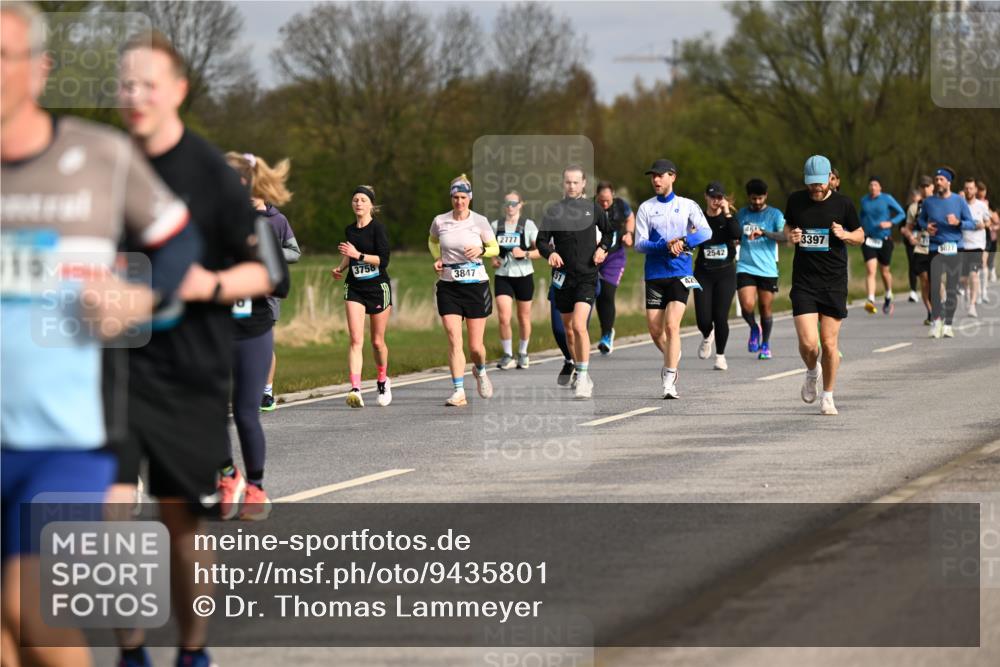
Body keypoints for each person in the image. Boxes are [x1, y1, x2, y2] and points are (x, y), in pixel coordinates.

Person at [1, 7, 198, 665]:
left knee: (27, 605)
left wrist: (140, 293)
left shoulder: (99, 157)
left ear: (39, 68)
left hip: (69, 437)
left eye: (5, 54)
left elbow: (178, 241)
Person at [112, 30, 283, 667]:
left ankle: (192, 651)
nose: (135, 96)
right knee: (109, 519)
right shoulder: (104, 164)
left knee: (181, 526)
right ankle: (131, 653)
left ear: (178, 90)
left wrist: (206, 282)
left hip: (188, 373)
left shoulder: (210, 172)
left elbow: (263, 272)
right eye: (126, 84)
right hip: (115, 371)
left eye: (148, 84)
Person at [215, 152, 293, 521]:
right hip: (212, 330)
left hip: (252, 328)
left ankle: (257, 490)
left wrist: (239, 281)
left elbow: (283, 284)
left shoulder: (260, 228)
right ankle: (228, 476)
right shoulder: (203, 226)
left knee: (246, 412)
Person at [784, 155, 864, 416]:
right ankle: (811, 371)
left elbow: (860, 235)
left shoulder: (843, 204)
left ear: (830, 178)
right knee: (809, 344)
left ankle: (828, 396)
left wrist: (845, 235)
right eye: (811, 184)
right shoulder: (796, 200)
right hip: (804, 281)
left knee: (829, 345)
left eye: (820, 183)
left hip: (833, 282)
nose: (816, 188)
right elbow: (788, 227)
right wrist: (791, 236)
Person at [633, 159, 711, 399]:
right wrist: (663, 245)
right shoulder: (646, 208)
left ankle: (669, 379)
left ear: (672, 177)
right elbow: (639, 244)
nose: (656, 180)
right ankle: (672, 355)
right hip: (655, 275)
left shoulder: (687, 205)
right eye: (653, 176)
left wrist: (684, 242)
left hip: (680, 272)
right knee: (656, 331)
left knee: (671, 326)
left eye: (660, 175)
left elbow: (706, 232)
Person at [536, 166, 612, 399]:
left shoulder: (593, 209)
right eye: (568, 182)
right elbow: (541, 240)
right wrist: (550, 253)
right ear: (563, 184)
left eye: (575, 182)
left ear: (583, 184)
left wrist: (603, 249)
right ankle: (581, 372)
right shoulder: (554, 211)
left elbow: (609, 233)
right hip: (563, 278)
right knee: (569, 332)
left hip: (587, 276)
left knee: (579, 326)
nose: (571, 186)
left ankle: (582, 378)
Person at [429, 175, 499, 406]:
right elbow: (432, 241)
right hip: (449, 286)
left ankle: (480, 369)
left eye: (463, 197)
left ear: (470, 198)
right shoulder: (440, 221)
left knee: (475, 347)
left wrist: (481, 250)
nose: (459, 202)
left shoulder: (480, 221)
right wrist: (437, 257)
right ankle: (459, 391)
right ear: (451, 198)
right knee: (453, 339)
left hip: (476, 287)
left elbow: (494, 248)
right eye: (455, 197)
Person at [331, 185, 393, 407]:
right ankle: (355, 389)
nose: (358, 203)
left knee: (377, 342)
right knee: (356, 339)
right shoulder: (350, 230)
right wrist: (340, 267)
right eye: (355, 199)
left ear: (371, 205)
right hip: (355, 287)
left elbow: (383, 260)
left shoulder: (378, 229)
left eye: (363, 200)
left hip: (378, 288)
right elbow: (351, 256)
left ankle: (383, 379)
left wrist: (359, 254)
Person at [257, 169, 301, 412]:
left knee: (264, 343)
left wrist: (270, 251)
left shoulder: (277, 220)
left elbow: (295, 253)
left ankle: (266, 392)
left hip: (268, 291)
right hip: (240, 291)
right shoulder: (234, 216)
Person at [918, 167, 975, 339]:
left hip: (954, 247)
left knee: (951, 288)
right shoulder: (928, 202)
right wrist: (925, 226)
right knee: (934, 287)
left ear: (948, 182)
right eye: (936, 180)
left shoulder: (959, 201)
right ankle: (936, 322)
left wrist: (958, 222)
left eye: (941, 179)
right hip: (935, 248)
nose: (937, 182)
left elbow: (971, 223)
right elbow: (920, 219)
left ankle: (948, 324)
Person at [735, 178, 786, 360]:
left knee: (765, 307)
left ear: (766, 196)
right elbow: (734, 233)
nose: (757, 202)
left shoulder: (775, 214)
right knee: (747, 305)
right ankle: (754, 328)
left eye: (760, 198)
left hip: (767, 268)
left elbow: (784, 236)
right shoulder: (741, 214)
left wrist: (764, 233)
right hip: (745, 265)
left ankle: (765, 344)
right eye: (753, 198)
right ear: (749, 197)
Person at [490, 190, 540, 370]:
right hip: (503, 276)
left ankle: (523, 352)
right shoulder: (495, 225)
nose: (510, 207)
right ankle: (507, 354)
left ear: (520, 205)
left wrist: (525, 253)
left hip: (524, 275)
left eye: (513, 203)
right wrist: (493, 259)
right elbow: (490, 248)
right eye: (507, 203)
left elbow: (540, 250)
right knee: (504, 317)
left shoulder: (528, 225)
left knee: (523, 316)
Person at [694, 182, 741, 371]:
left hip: (726, 273)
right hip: (703, 273)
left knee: (720, 316)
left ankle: (720, 356)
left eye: (719, 197)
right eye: (712, 197)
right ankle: (707, 335)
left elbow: (737, 234)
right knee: (703, 319)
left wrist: (727, 212)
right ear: (706, 196)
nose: (715, 201)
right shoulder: (699, 218)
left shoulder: (728, 218)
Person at [594, 180, 635, 355]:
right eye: (601, 200)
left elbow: (630, 217)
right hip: (595, 257)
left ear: (613, 196)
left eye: (607, 201)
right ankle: (605, 330)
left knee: (607, 293)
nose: (604, 204)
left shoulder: (620, 206)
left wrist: (628, 233)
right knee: (597, 294)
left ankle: (606, 335)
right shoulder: (590, 208)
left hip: (614, 257)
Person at [859, 176, 905, 315]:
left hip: (884, 239)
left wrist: (890, 223)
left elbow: (901, 213)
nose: (873, 187)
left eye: (875, 185)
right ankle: (870, 300)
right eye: (871, 185)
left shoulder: (887, 198)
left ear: (880, 187)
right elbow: (861, 216)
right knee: (871, 270)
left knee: (884, 271)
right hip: (869, 239)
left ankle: (888, 293)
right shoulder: (864, 200)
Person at [903, 175, 935, 323]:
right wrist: (910, 236)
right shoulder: (914, 207)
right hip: (921, 249)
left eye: (927, 186)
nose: (925, 189)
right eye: (922, 186)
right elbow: (907, 228)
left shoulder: (940, 204)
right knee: (925, 281)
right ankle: (930, 311)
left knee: (936, 282)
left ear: (932, 187)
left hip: (936, 247)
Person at [959, 177, 990, 317]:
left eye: (971, 188)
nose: (968, 190)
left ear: (975, 190)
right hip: (962, 245)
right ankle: (967, 294)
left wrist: (984, 225)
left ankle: (972, 305)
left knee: (974, 274)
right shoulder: (960, 205)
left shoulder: (981, 205)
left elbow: (988, 221)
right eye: (966, 188)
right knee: (963, 279)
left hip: (977, 245)